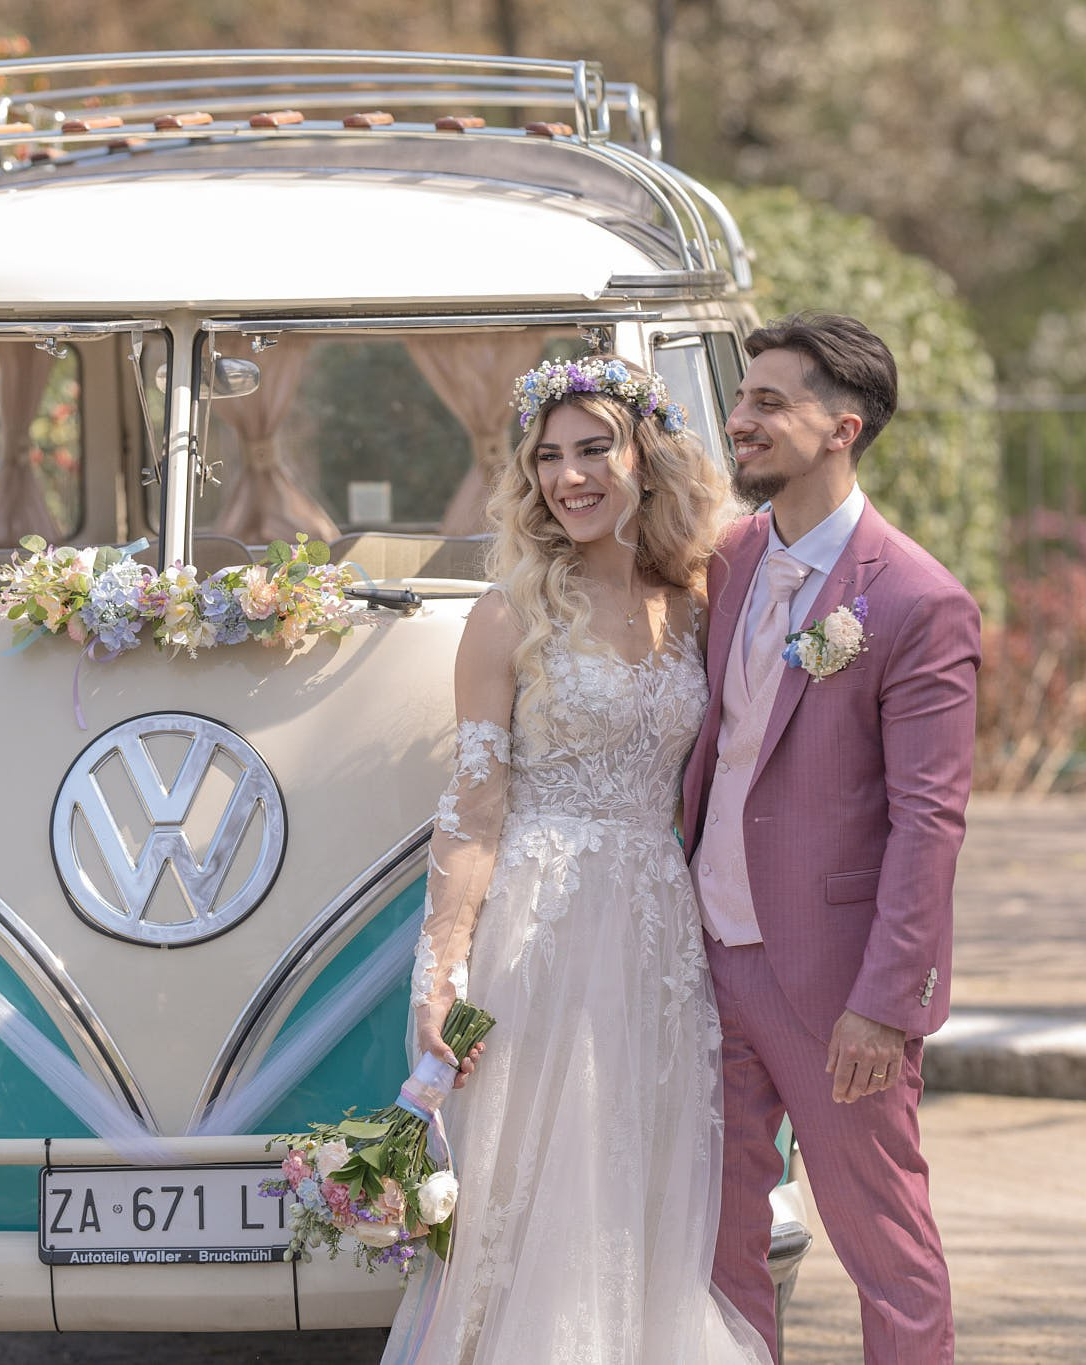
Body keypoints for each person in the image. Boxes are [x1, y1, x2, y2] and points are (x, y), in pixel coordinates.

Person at [381, 355, 770, 1365]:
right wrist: (442, 974)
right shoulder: (507, 614)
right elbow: (472, 812)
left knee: (639, 1178)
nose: (569, 476)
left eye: (593, 448)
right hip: (540, 930)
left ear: (645, 456)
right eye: (548, 458)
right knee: (532, 1192)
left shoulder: (694, 603)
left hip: (657, 941)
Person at [681, 312, 980, 1364]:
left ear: (839, 427)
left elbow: (927, 819)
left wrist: (883, 1005)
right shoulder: (723, 560)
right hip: (706, 961)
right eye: (742, 398)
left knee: (881, 1249)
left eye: (769, 402)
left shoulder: (914, 600)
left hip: (836, 984)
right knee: (715, 1242)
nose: (740, 420)